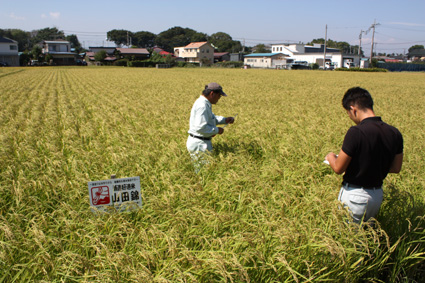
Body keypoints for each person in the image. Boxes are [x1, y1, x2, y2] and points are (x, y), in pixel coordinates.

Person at [325, 87, 403, 224]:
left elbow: (338, 168)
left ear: (353, 109)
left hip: (355, 196)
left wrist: (330, 157)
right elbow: (396, 168)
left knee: (349, 239)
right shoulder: (394, 133)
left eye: (348, 113)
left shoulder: (356, 132)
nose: (349, 117)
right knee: (366, 237)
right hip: (377, 196)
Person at [187, 82, 235, 171]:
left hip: (201, 142)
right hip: (200, 144)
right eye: (219, 96)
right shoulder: (202, 106)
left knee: (204, 170)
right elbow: (200, 127)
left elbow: (211, 118)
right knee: (203, 172)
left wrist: (225, 120)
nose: (219, 98)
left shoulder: (204, 103)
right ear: (212, 94)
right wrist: (217, 130)